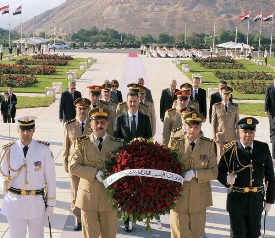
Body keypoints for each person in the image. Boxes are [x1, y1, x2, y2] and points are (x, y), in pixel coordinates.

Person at [69, 107, 123, 238]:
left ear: (108, 124)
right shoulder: (82, 143)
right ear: (90, 123)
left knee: (109, 235)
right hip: (88, 199)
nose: (100, 126)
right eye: (96, 122)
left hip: (109, 198)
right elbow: (73, 167)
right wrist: (94, 173)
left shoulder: (117, 145)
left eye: (103, 122)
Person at [217, 117, 275, 238]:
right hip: (236, 201)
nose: (248, 135)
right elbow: (219, 172)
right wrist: (227, 180)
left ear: (254, 133)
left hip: (256, 201)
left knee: (254, 234)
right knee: (238, 235)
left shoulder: (263, 148)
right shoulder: (230, 150)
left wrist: (270, 200)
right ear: (239, 132)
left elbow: (270, 176)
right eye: (245, 132)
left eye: (251, 132)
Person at [0, 116, 56, 238]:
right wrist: (4, 185)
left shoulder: (44, 150)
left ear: (34, 130)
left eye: (29, 130)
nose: (26, 133)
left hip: (36, 202)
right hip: (15, 202)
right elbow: (1, 175)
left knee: (37, 235)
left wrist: (51, 203)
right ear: (17, 130)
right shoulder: (8, 150)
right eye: (22, 129)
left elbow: (50, 178)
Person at [169, 112, 218, 238]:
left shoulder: (208, 145)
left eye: (196, 127)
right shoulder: (175, 143)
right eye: (190, 126)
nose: (192, 130)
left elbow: (214, 172)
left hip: (199, 200)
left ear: (200, 127)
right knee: (179, 235)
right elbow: (168, 168)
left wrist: (196, 173)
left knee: (197, 234)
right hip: (179, 198)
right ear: (184, 126)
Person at [113, 91, 152, 232]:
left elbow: (149, 140)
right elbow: (116, 140)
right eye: (130, 101)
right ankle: (127, 219)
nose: (133, 104)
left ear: (138, 102)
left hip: (140, 162)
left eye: (135, 101)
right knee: (126, 191)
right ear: (126, 102)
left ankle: (134, 214)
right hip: (125, 163)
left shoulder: (145, 119)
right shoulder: (120, 119)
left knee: (137, 191)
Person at [63, 98, 91, 231]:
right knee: (74, 193)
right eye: (80, 109)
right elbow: (66, 146)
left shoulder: (93, 124)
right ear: (76, 110)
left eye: (85, 109)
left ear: (88, 110)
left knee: (87, 192)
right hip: (74, 165)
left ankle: (87, 217)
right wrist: (65, 162)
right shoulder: (69, 125)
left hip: (88, 165)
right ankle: (77, 218)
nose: (82, 111)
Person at [212, 86, 239, 160]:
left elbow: (237, 123)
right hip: (220, 135)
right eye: (224, 94)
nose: (225, 96)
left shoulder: (234, 107)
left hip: (231, 136)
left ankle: (230, 171)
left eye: (227, 94)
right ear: (221, 95)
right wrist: (214, 136)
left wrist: (238, 137)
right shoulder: (216, 107)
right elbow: (214, 123)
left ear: (230, 95)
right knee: (220, 157)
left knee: (230, 157)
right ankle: (221, 171)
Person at [264, 76, 275, 164]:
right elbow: (267, 99)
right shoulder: (270, 88)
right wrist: (265, 109)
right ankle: (272, 137)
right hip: (272, 112)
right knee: (273, 127)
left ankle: (273, 137)